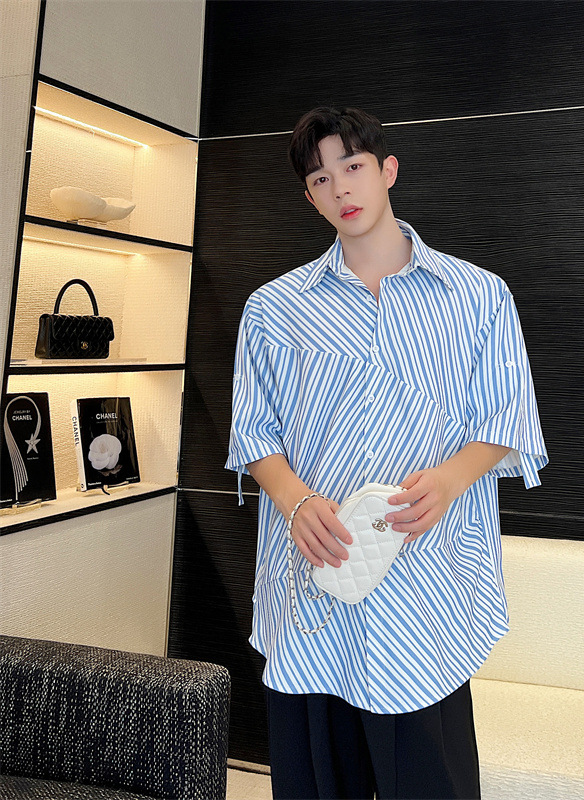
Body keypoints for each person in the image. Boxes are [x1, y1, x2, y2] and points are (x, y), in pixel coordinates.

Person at [226, 106, 548, 800]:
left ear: (387, 170)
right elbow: (254, 434)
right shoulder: (274, 309)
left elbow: (506, 418)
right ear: (309, 197)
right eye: (321, 178)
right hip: (315, 592)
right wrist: (295, 500)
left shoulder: (478, 296)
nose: (341, 187)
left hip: (424, 592)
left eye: (353, 166)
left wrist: (451, 479)